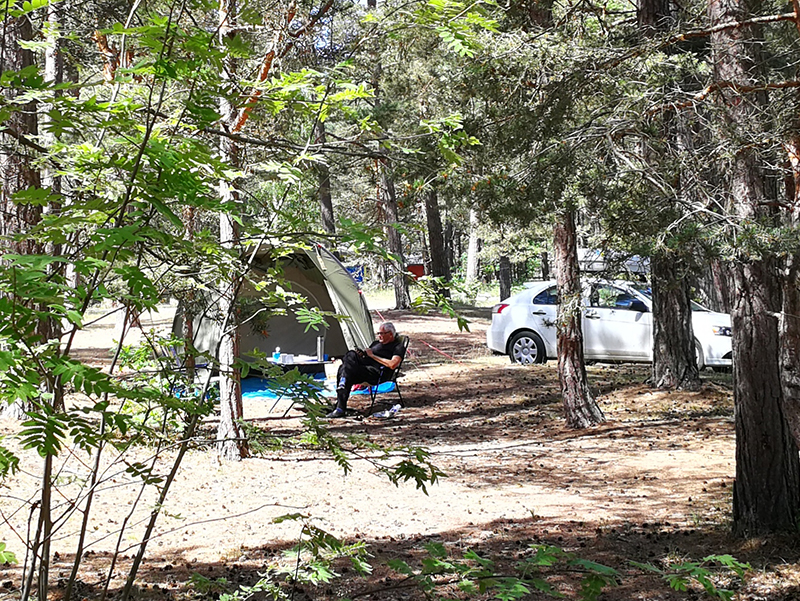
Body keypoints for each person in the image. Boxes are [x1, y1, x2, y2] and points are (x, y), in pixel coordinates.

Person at [326, 322, 405, 418]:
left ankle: (340, 407)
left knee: (344, 370)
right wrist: (362, 355)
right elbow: (366, 357)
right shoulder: (376, 343)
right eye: (378, 333)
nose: (379, 336)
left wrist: (373, 356)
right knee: (351, 354)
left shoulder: (398, 347)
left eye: (382, 333)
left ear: (390, 334)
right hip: (364, 368)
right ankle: (341, 402)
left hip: (377, 373)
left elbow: (392, 364)